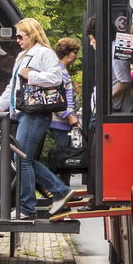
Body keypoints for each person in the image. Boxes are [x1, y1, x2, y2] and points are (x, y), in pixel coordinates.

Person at [0, 18, 75, 219]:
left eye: (20, 36)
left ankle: (28, 207)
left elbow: (57, 78)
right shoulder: (22, 55)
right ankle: (59, 191)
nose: (17, 40)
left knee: (22, 159)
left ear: (32, 35)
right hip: (24, 112)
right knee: (22, 159)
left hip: (35, 113)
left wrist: (32, 76)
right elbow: (13, 88)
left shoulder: (44, 53)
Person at [47, 37, 82, 182]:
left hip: (63, 121)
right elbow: (55, 97)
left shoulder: (62, 70)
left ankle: (63, 189)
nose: (76, 56)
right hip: (59, 121)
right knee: (64, 157)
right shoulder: (59, 71)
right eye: (75, 52)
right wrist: (69, 115)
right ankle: (61, 189)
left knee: (65, 155)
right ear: (67, 53)